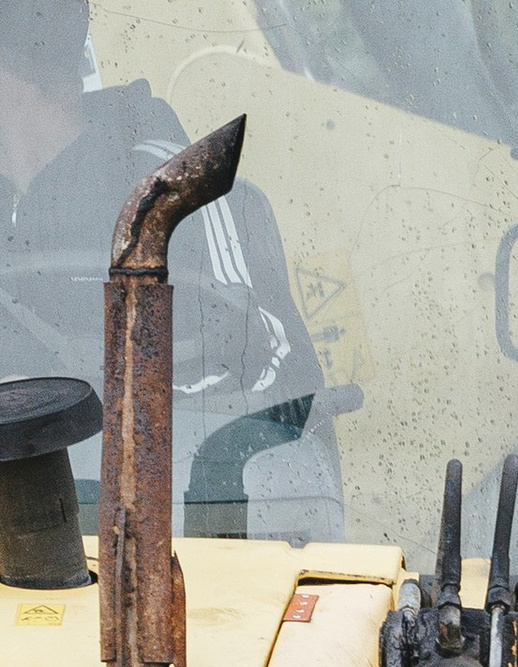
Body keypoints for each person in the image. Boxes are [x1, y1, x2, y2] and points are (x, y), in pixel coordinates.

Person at [0, 0, 332, 527]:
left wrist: (58, 388)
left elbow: (263, 368)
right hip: (33, 531)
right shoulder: (7, 206)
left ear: (10, 78)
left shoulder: (179, 192)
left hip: (199, 521)